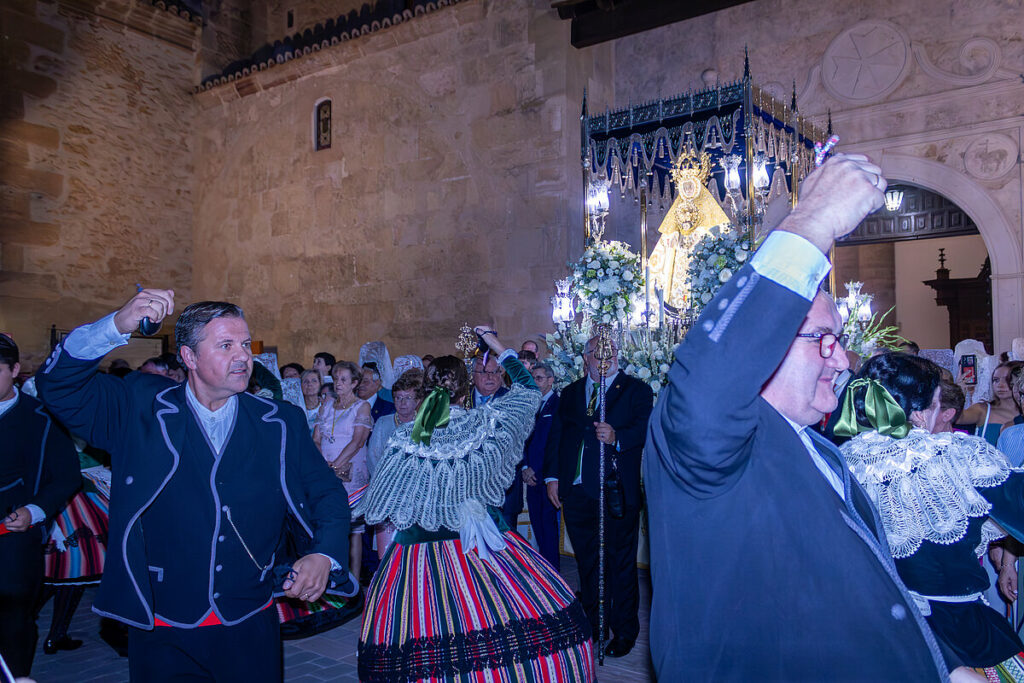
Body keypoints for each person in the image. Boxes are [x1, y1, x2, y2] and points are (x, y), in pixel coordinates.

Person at [644, 154, 957, 680]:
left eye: (841, 341)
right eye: (823, 341)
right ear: (762, 345)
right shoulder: (708, 446)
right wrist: (811, 221)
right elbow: (709, 385)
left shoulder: (817, 446)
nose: (842, 361)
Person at [35, 292, 353, 682]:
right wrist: (115, 326)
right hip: (162, 621)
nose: (242, 356)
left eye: (244, 344)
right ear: (188, 357)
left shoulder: (279, 421)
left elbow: (326, 493)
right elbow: (58, 387)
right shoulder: (140, 408)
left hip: (249, 618)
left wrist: (324, 554)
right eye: (225, 345)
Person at [357, 330, 594, 682]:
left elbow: (379, 503)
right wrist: (501, 348)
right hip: (483, 544)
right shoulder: (485, 425)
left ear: (425, 392)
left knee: (424, 628)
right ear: (466, 390)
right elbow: (529, 391)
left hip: (419, 554)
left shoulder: (406, 439)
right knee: (498, 619)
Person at [837, 352, 1024, 679]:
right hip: (962, 634)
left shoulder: (838, 463)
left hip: (879, 635)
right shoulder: (958, 454)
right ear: (922, 413)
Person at [542, 335, 653, 658]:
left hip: (614, 493)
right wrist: (552, 478)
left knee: (620, 564)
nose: (606, 359)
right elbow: (557, 437)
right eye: (598, 354)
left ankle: (624, 631)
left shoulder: (635, 390)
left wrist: (618, 436)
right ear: (586, 358)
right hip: (576, 493)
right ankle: (593, 623)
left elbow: (645, 428)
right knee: (589, 563)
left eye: (612, 352)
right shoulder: (573, 392)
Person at [0, 334, 80, 677]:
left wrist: (33, 511)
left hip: (14, 540)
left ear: (16, 370)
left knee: (14, 618)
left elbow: (66, 477)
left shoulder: (43, 418)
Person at [314, 360, 373, 589]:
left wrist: (336, 465)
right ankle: (332, 578)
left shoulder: (362, 406)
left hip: (350, 471)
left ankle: (355, 582)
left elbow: (358, 441)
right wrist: (324, 466)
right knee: (330, 525)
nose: (338, 384)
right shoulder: (326, 405)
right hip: (327, 470)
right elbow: (316, 439)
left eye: (344, 380)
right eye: (336, 379)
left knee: (354, 529)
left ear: (355, 383)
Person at [365, 369, 422, 560]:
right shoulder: (383, 422)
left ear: (417, 401)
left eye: (408, 398)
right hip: (388, 494)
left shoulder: (424, 426)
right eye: (398, 398)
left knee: (415, 549)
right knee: (388, 552)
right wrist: (387, 483)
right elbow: (373, 458)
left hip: (417, 495)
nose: (402, 403)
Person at [522, 361, 561, 569]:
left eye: (539, 378)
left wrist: (538, 470)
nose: (535, 382)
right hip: (530, 475)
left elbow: (553, 443)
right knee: (537, 525)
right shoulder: (531, 405)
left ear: (550, 380)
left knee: (548, 527)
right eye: (533, 378)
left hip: (546, 475)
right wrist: (525, 467)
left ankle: (553, 573)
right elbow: (523, 439)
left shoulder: (558, 404)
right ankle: (543, 572)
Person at [959, 361, 1023, 446]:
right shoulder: (982, 409)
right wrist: (958, 392)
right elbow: (956, 417)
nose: (1000, 385)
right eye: (996, 380)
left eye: (1007, 379)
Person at [298, 368, 323, 433]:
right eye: (306, 381)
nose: (309, 384)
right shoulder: (297, 407)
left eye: (314, 381)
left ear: (320, 384)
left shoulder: (326, 405)